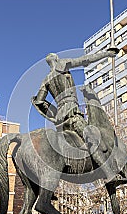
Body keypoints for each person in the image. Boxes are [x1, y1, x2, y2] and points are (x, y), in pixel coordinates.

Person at [32, 48, 119, 179]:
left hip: (61, 120)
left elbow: (39, 101)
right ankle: (110, 174)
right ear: (56, 59)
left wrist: (53, 114)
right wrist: (106, 54)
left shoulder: (46, 80)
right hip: (72, 113)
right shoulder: (63, 65)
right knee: (91, 137)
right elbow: (86, 60)